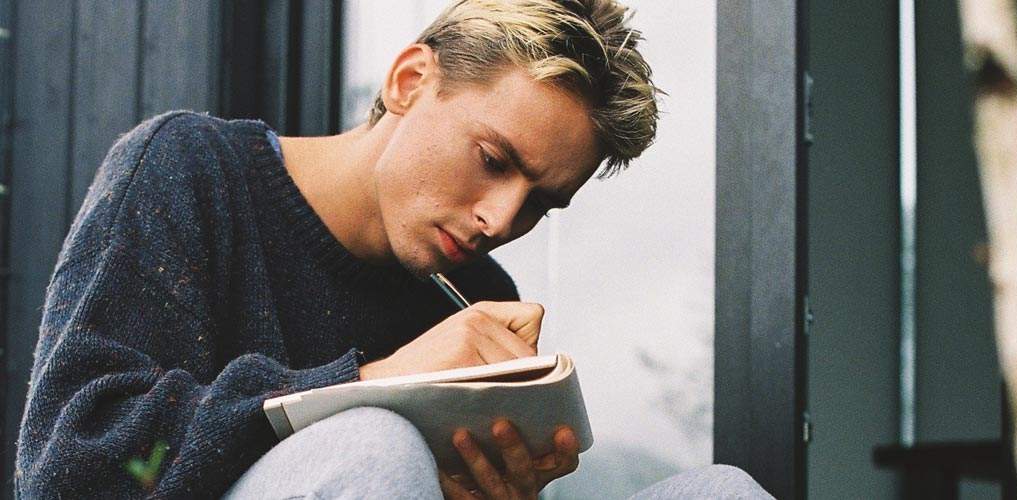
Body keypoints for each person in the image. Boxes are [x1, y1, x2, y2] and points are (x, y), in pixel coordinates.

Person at [15, 0, 773, 498]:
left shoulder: (478, 290)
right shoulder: (190, 168)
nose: (501, 217)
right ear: (411, 81)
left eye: (542, 200)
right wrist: (369, 386)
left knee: (722, 493)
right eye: (494, 160)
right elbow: (70, 465)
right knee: (372, 445)